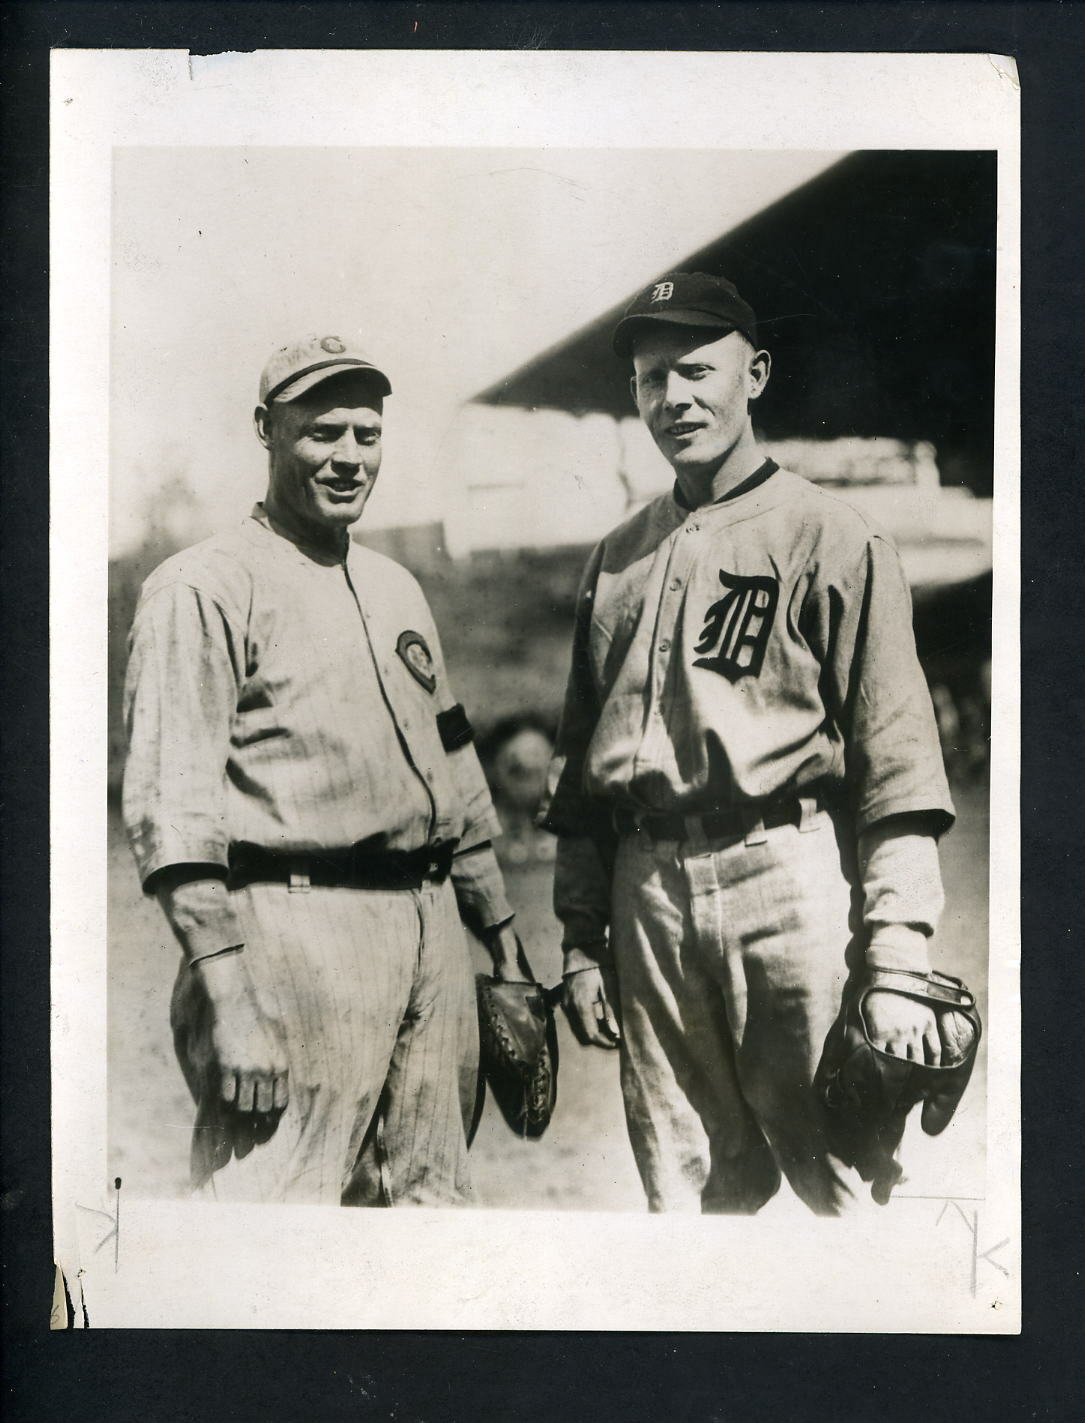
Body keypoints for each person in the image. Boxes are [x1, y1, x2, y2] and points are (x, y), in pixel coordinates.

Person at [543, 273, 955, 1214]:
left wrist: (896, 958)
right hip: (646, 889)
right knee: (685, 1191)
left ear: (755, 373)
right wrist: (578, 941)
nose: (672, 399)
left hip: (789, 875)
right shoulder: (616, 557)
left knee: (841, 1175)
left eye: (695, 370)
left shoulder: (833, 535)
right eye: (650, 380)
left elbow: (897, 767)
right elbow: (581, 775)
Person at [123, 333, 529, 1206]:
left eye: (366, 434)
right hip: (289, 932)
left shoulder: (395, 588)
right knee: (271, 1217)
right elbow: (169, 804)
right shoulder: (203, 586)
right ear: (267, 431)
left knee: (429, 1213)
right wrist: (227, 994)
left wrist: (499, 937)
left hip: (427, 933)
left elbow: (452, 760)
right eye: (322, 432)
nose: (348, 457)